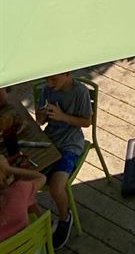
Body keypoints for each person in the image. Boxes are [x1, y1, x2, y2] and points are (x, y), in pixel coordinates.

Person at [35, 73, 92, 249]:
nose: (49, 83)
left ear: (67, 74)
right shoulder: (47, 90)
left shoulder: (80, 92)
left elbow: (86, 122)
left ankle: (65, 217)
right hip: (49, 141)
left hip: (70, 144)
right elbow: (40, 121)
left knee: (56, 187)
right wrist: (42, 115)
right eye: (47, 79)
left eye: (54, 79)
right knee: (26, 180)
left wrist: (62, 117)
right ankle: (41, 220)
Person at [0, 154, 46, 242]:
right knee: (29, 199)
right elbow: (42, 178)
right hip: (32, 245)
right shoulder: (19, 190)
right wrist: (9, 169)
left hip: (8, 248)